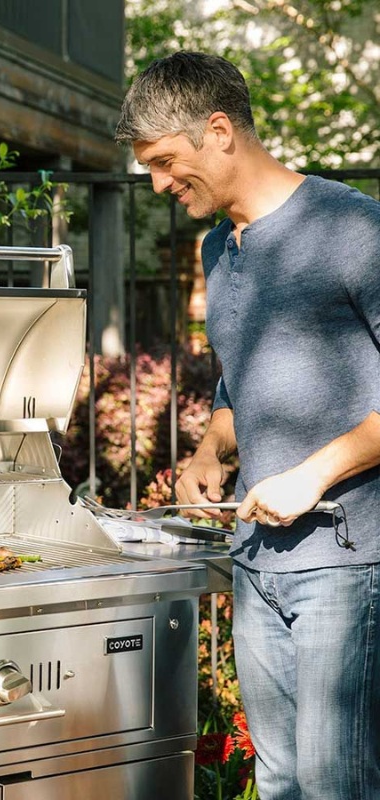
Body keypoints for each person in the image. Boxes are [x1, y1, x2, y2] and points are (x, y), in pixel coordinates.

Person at [115, 52, 380, 800]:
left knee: (337, 786)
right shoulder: (218, 249)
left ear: (220, 131)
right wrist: (209, 448)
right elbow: (242, 376)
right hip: (258, 563)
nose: (162, 185)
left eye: (167, 162)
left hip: (350, 563)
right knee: (282, 781)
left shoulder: (353, 229)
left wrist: (313, 472)